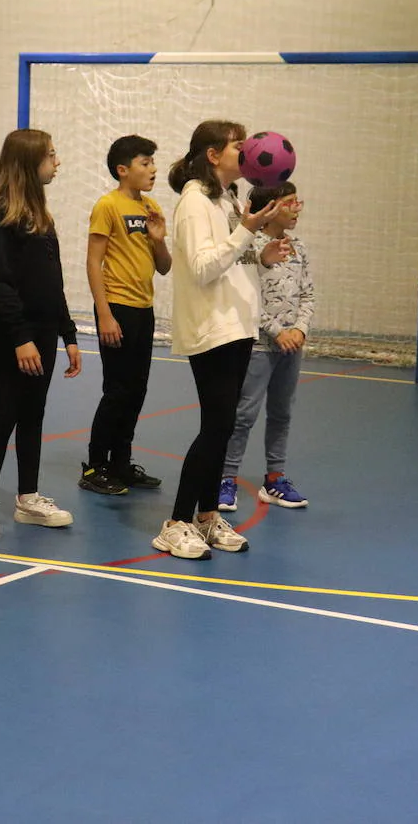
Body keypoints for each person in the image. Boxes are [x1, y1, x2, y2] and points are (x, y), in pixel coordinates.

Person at [153, 119, 286, 560]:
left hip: (237, 325)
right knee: (215, 428)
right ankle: (175, 523)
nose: (245, 154)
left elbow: (231, 259)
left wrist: (259, 255)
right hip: (212, 328)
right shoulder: (194, 202)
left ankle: (207, 517)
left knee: (224, 426)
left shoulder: (226, 198)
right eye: (238, 147)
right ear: (213, 155)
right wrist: (247, 231)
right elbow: (203, 267)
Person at [0, 129, 82, 542]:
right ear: (28, 163)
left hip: (45, 330)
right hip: (13, 331)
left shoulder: (42, 213)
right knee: (6, 414)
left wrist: (67, 333)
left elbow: (53, 282)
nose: (58, 162)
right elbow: (0, 285)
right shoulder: (0, 213)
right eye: (51, 156)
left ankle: (28, 497)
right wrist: (19, 338)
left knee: (34, 413)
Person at [79, 134, 171, 496]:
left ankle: (121, 463)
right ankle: (94, 467)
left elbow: (164, 267)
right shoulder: (108, 205)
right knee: (116, 391)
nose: (153, 169)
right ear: (123, 170)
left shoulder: (150, 207)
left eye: (152, 162)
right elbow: (93, 260)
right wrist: (104, 314)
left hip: (143, 310)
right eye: (145, 163)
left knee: (137, 391)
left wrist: (159, 238)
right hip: (116, 308)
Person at [219, 181, 313, 511]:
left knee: (281, 413)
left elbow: (308, 295)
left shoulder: (298, 247)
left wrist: (299, 329)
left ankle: (275, 480)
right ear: (271, 208)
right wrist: (277, 332)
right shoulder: (250, 248)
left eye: (297, 202)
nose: (296, 209)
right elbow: (247, 299)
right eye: (289, 203)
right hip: (260, 347)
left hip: (292, 348)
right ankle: (225, 478)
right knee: (244, 414)